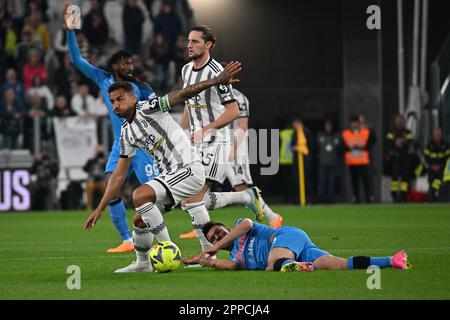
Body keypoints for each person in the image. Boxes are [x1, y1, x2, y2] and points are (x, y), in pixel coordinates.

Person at [84, 61, 242, 273]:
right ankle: (142, 264)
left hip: (188, 168)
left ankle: (168, 248)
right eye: (112, 101)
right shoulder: (126, 133)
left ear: (133, 97)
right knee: (140, 219)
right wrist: (99, 208)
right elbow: (118, 176)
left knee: (140, 195)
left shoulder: (148, 108)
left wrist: (215, 81)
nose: (115, 106)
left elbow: (182, 94)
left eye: (120, 99)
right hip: (171, 174)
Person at [65, 4, 159, 253]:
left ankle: (164, 236)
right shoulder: (103, 79)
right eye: (126, 63)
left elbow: (159, 111)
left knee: (156, 194)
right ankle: (128, 240)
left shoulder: (142, 87)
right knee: (111, 187)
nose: (131, 66)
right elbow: (76, 59)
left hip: (143, 145)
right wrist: (70, 30)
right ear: (115, 64)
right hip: (121, 144)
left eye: (132, 63)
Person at [178, 26, 264, 240]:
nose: (189, 45)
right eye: (189, 40)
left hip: (216, 140)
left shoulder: (218, 73)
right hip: (195, 141)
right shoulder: (186, 70)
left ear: (208, 45)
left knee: (194, 199)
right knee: (186, 201)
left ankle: (208, 255)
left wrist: (206, 130)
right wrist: (181, 130)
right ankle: (245, 197)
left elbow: (233, 111)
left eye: (196, 41)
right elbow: (190, 102)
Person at [182, 218, 410, 272]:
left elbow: (248, 223)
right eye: (214, 238)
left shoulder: (240, 226)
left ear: (226, 230)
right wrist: (205, 261)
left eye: (219, 232)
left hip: (287, 237)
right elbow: (230, 266)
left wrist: (217, 243)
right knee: (338, 264)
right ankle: (392, 260)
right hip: (297, 249)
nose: (218, 238)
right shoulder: (235, 258)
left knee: (272, 264)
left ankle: (298, 266)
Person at [341, 115, 375, 203]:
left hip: (363, 161)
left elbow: (373, 140)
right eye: (352, 122)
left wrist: (364, 148)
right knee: (354, 182)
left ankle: (368, 198)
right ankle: (356, 198)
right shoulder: (346, 133)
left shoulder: (366, 131)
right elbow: (342, 146)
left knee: (366, 181)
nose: (354, 124)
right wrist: (350, 148)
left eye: (356, 122)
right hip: (352, 161)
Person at [385, 115, 413, 203]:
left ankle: (403, 194)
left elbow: (409, 143)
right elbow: (388, 143)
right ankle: (394, 195)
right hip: (395, 158)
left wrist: (399, 142)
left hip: (405, 158)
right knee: (395, 177)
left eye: (401, 120)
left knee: (405, 177)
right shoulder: (391, 132)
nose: (399, 122)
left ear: (403, 121)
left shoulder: (408, 132)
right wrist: (396, 142)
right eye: (397, 120)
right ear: (395, 121)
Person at [424, 128, 450, 202]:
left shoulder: (446, 145)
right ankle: (432, 197)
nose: (437, 136)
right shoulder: (429, 145)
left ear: (441, 135)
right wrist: (432, 165)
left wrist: (440, 166)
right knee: (431, 182)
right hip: (431, 169)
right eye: (436, 134)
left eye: (439, 134)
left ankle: (433, 195)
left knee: (437, 182)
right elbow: (426, 158)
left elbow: (448, 159)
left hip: (442, 169)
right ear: (433, 135)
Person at [317, 119, 340, 203]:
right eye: (327, 126)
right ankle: (321, 199)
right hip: (323, 162)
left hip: (333, 163)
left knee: (332, 182)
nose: (328, 127)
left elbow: (340, 149)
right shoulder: (320, 135)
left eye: (329, 126)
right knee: (322, 181)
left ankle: (331, 199)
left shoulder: (336, 136)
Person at [83, 145, 108, 210]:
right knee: (90, 186)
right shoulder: (91, 161)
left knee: (105, 187)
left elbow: (110, 170)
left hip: (102, 181)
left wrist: (104, 162)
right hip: (92, 181)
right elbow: (85, 169)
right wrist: (93, 158)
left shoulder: (106, 161)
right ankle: (89, 206)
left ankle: (106, 205)